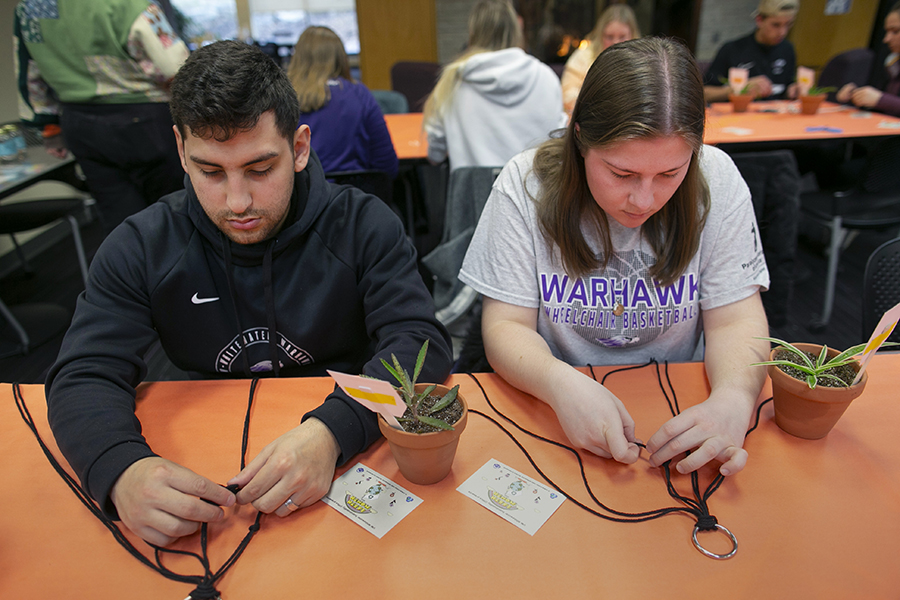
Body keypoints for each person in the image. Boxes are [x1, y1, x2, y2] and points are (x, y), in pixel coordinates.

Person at [44, 40, 453, 547]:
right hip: (203, 460)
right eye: (210, 171)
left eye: (260, 169)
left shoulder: (363, 224)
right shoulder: (142, 243)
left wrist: (334, 430)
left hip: (348, 458)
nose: (237, 201)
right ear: (180, 151)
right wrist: (119, 469)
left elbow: (420, 342)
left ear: (299, 148)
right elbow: (84, 371)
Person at [459, 37, 770, 477]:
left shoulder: (717, 181)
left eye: (669, 173)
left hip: (682, 401)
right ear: (581, 137)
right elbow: (505, 325)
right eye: (621, 173)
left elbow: (737, 319)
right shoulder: (524, 184)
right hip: (552, 401)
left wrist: (735, 399)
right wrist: (559, 383)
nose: (643, 200)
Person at [14, 0, 189, 234]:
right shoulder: (125, 3)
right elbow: (174, 66)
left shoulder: (30, 7)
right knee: (177, 212)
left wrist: (49, 128)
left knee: (122, 221)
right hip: (144, 119)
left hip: (80, 124)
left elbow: (28, 74)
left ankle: (132, 270)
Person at [423, 0, 566, 171]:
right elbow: (559, 142)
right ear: (516, 30)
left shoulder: (453, 81)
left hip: (472, 195)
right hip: (533, 192)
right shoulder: (546, 76)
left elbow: (435, 153)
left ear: (472, 33)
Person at [288, 26, 398, 179]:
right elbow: (386, 164)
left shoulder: (284, 99)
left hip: (304, 197)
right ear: (341, 57)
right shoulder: (359, 94)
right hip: (354, 195)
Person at [702, 0, 799, 102]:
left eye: (788, 24)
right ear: (759, 20)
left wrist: (793, 90)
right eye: (776, 25)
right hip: (738, 114)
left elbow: (787, 87)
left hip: (776, 114)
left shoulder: (787, 49)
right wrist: (740, 89)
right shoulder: (732, 49)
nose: (782, 32)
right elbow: (704, 94)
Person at [560, 4, 640, 115]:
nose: (615, 43)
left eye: (622, 37)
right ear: (600, 35)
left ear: (633, 35)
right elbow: (567, 95)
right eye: (609, 37)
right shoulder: (583, 57)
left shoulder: (641, 59)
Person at [836, 2, 900, 117]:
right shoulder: (891, 60)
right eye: (887, 32)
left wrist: (882, 100)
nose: (886, 39)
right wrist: (858, 96)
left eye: (895, 32)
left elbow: (885, 101)